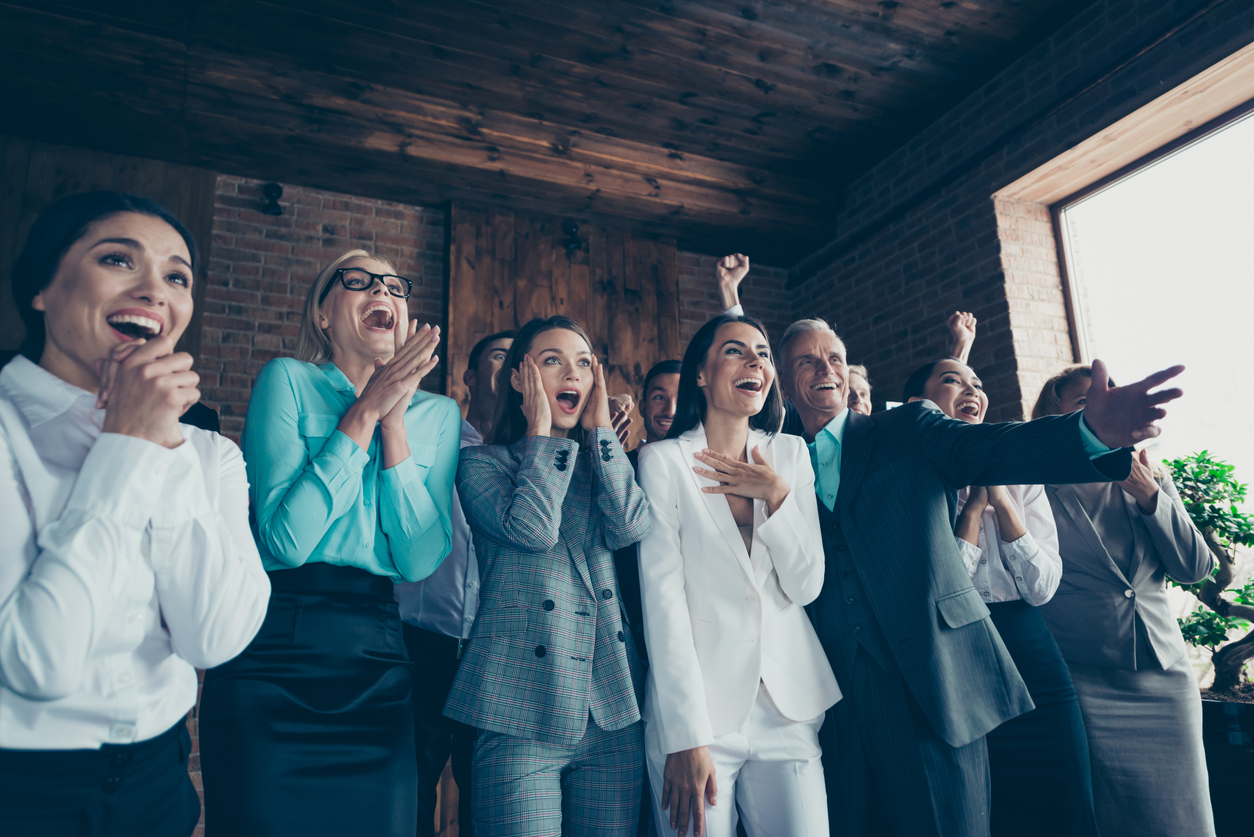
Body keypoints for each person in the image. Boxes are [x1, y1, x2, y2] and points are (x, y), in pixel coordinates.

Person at [774, 316, 1182, 837]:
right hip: (834, 695)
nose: (824, 369)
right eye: (806, 361)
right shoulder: (773, 455)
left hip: (930, 675)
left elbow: (990, 448)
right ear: (785, 381)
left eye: (833, 357)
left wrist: (1088, 432)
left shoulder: (906, 427)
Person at [0, 191, 270, 837]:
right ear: (42, 287)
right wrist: (126, 446)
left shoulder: (210, 455)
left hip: (160, 785)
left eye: (177, 275)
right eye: (119, 260)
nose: (155, 289)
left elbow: (214, 638)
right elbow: (38, 664)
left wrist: (164, 443)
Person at [199, 249, 462, 837]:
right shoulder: (286, 380)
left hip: (378, 657)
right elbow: (285, 540)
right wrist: (364, 413)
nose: (382, 291)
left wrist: (394, 422)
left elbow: (418, 560)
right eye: (359, 281)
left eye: (394, 286)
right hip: (274, 650)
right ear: (323, 315)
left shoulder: (439, 415)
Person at [444, 315, 651, 836]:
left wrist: (603, 432)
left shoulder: (604, 465)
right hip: (517, 710)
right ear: (519, 377)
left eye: (583, 363)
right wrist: (541, 433)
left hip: (611, 708)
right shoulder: (482, 465)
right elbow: (533, 529)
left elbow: (629, 527)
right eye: (553, 361)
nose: (572, 375)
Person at [638, 314, 839, 837]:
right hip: (700, 717)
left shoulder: (791, 455)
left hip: (788, 706)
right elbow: (664, 604)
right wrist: (684, 736)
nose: (756, 362)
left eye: (764, 353)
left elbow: (806, 584)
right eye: (735, 350)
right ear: (701, 375)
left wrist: (776, 495)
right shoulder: (663, 463)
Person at [904, 359, 1098, 837]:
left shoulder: (1020, 471)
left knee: (1069, 796)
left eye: (976, 383)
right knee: (990, 806)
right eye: (952, 381)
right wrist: (972, 510)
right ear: (917, 406)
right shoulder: (912, 479)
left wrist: (1004, 503)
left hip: (1031, 650)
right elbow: (941, 594)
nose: (971, 390)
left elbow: (1042, 587)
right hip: (957, 652)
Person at [1032, 365, 1216, 837]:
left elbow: (1195, 568)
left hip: (1165, 676)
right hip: (1085, 678)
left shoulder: (1151, 473)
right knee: (1111, 820)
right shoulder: (1035, 483)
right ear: (1057, 418)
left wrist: (1152, 495)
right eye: (1085, 402)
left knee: (1185, 820)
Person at [395, 328, 514, 837]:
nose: (512, 368)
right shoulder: (434, 438)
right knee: (412, 782)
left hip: (493, 650)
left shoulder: (527, 458)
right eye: (500, 357)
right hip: (423, 639)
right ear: (469, 377)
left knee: (487, 789)